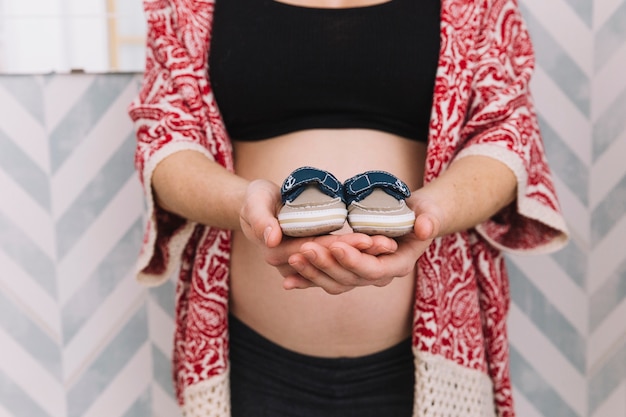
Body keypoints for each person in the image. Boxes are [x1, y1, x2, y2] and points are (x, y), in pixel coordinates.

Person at [128, 0, 569, 416]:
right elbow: (164, 137)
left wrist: (433, 213)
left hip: (427, 362)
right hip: (250, 357)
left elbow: (505, 130)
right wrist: (245, 205)